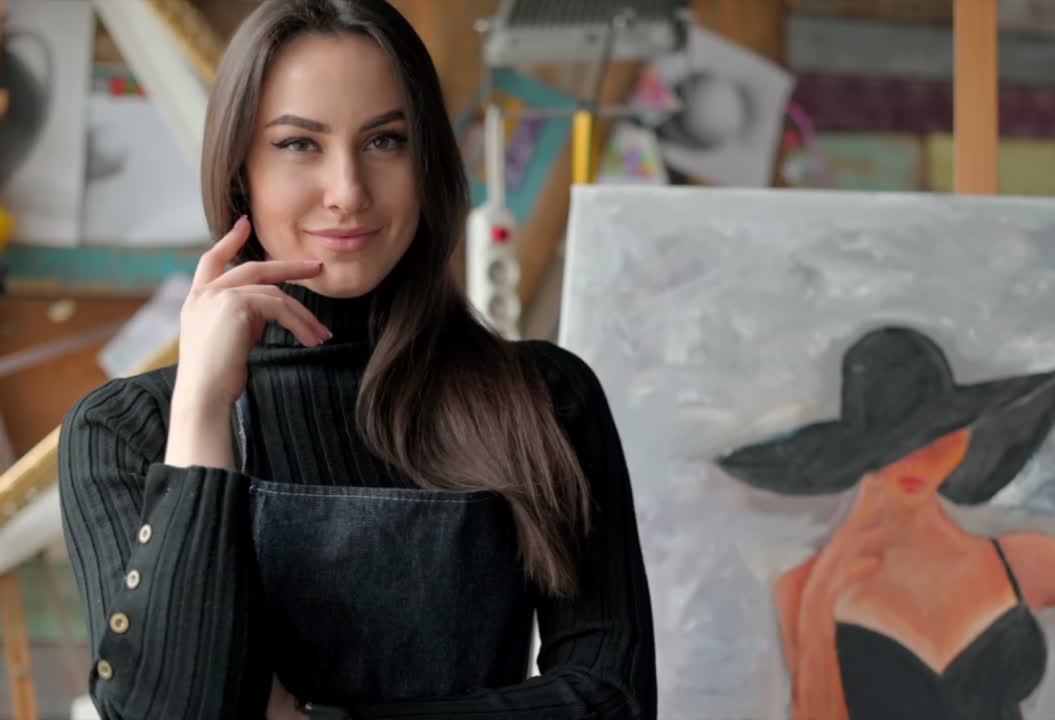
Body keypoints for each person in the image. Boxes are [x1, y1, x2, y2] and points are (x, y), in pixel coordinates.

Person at [57, 1, 655, 718]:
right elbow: (162, 710)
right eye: (299, 145)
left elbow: (609, 697)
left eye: (385, 142)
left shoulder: (548, 399)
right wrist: (201, 412)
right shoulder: (125, 430)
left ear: (427, 160)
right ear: (239, 167)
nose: (348, 192)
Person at [716, 326, 1055, 720]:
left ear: (963, 439)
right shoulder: (805, 589)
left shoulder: (1027, 561)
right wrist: (819, 608)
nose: (915, 463)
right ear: (859, 457)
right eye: (894, 448)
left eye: (935, 437)